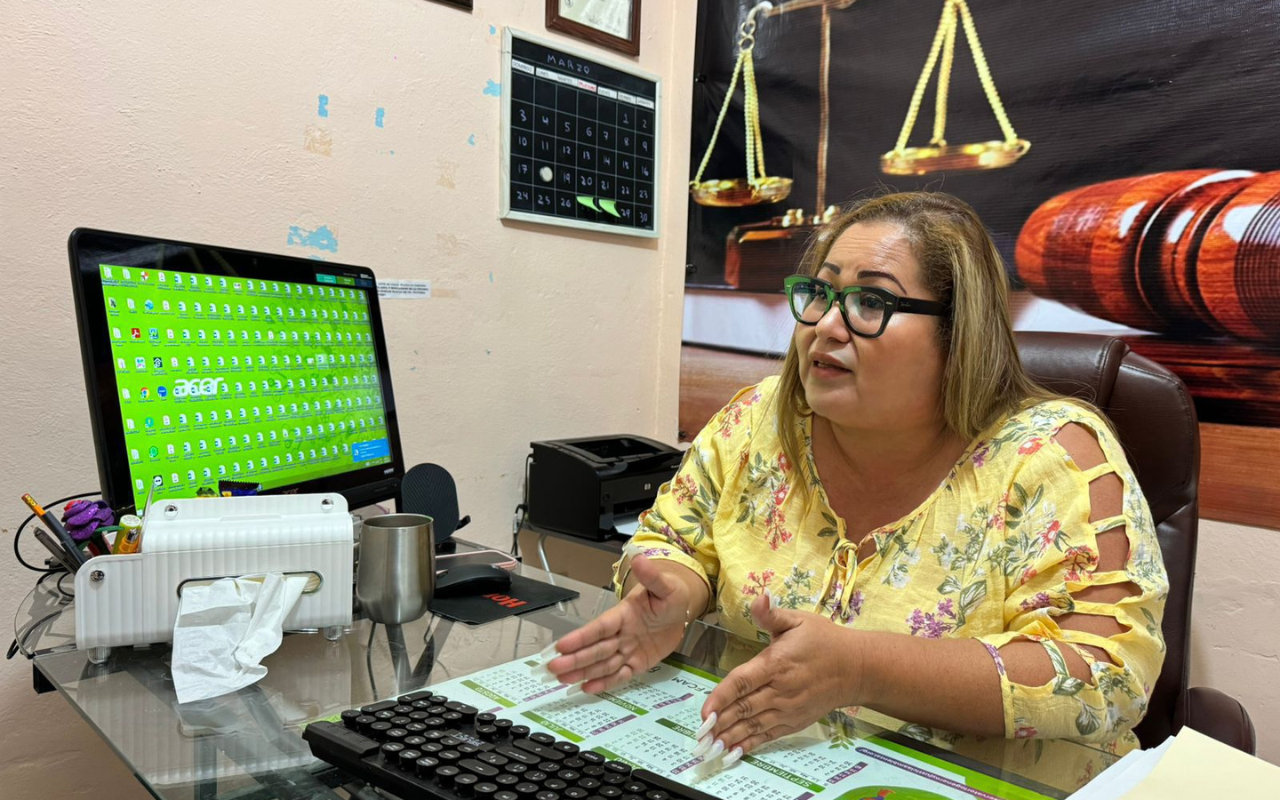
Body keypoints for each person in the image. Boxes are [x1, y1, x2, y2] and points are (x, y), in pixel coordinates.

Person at [541, 192, 1168, 769]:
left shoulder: (1049, 456)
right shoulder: (760, 419)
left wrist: (862, 667)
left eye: (871, 302)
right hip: (758, 765)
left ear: (960, 333)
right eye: (820, 292)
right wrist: (675, 595)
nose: (827, 325)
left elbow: (1105, 676)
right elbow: (671, 542)